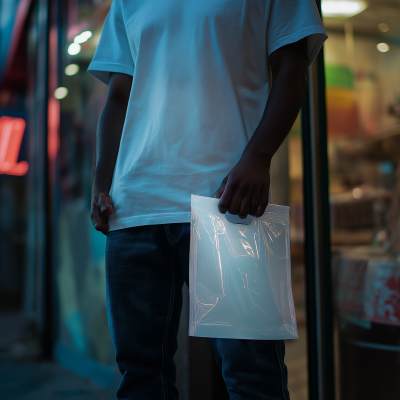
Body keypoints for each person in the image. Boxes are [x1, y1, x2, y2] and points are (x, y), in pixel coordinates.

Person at [88, 0, 327, 398]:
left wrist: (258, 157)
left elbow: (293, 69)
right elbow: (118, 98)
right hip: (134, 208)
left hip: (230, 203)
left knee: (253, 375)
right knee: (140, 375)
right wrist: (101, 182)